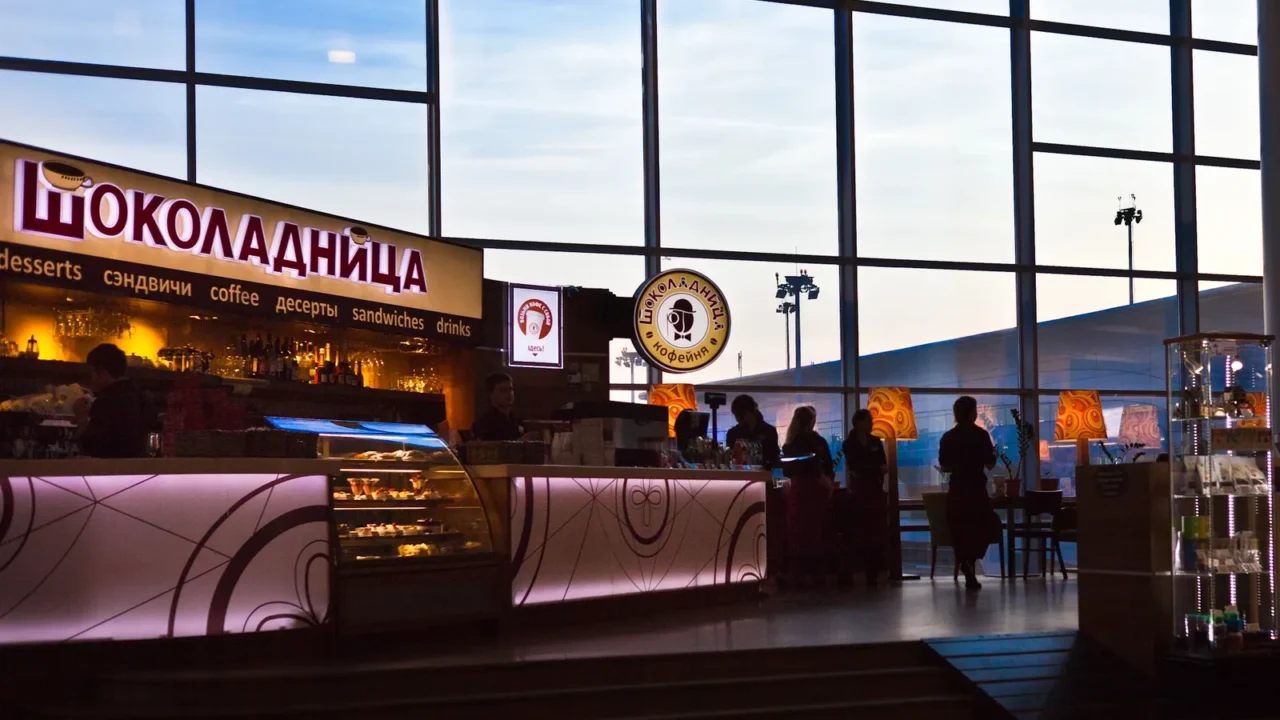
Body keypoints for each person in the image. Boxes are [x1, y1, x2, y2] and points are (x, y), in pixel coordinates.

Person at [938, 395, 1000, 591]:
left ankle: (965, 563)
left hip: (957, 489)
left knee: (960, 529)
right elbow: (990, 464)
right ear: (972, 413)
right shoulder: (981, 435)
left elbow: (945, 466)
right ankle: (970, 563)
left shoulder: (948, 437)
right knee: (981, 527)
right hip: (976, 489)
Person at [780, 406, 835, 588]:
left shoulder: (791, 443)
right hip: (816, 490)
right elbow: (825, 466)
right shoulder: (817, 441)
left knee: (798, 532)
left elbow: (789, 469)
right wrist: (827, 483)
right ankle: (816, 574)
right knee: (815, 532)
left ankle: (799, 574)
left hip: (800, 489)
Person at [74, 343, 146, 458]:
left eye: (92, 372)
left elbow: (91, 447)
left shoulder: (107, 402)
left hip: (112, 472)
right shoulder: (140, 396)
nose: (90, 379)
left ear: (101, 372)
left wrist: (82, 419)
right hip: (137, 470)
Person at [844, 409, 888, 588]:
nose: (872, 424)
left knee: (875, 531)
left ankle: (873, 572)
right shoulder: (850, 443)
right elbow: (857, 467)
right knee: (861, 530)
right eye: (869, 420)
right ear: (859, 423)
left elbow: (881, 466)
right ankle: (862, 570)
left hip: (873, 489)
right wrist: (873, 469)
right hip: (861, 491)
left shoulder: (875, 441)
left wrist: (869, 469)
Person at [724, 395, 780, 469]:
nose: (738, 419)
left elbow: (774, 460)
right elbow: (730, 459)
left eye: (741, 415)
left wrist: (776, 477)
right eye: (736, 415)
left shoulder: (769, 431)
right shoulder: (733, 433)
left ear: (752, 412)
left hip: (765, 474)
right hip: (740, 475)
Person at [471, 372, 525, 441]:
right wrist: (519, 443)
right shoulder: (484, 424)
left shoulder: (517, 421)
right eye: (503, 390)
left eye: (510, 389)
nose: (509, 394)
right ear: (491, 394)